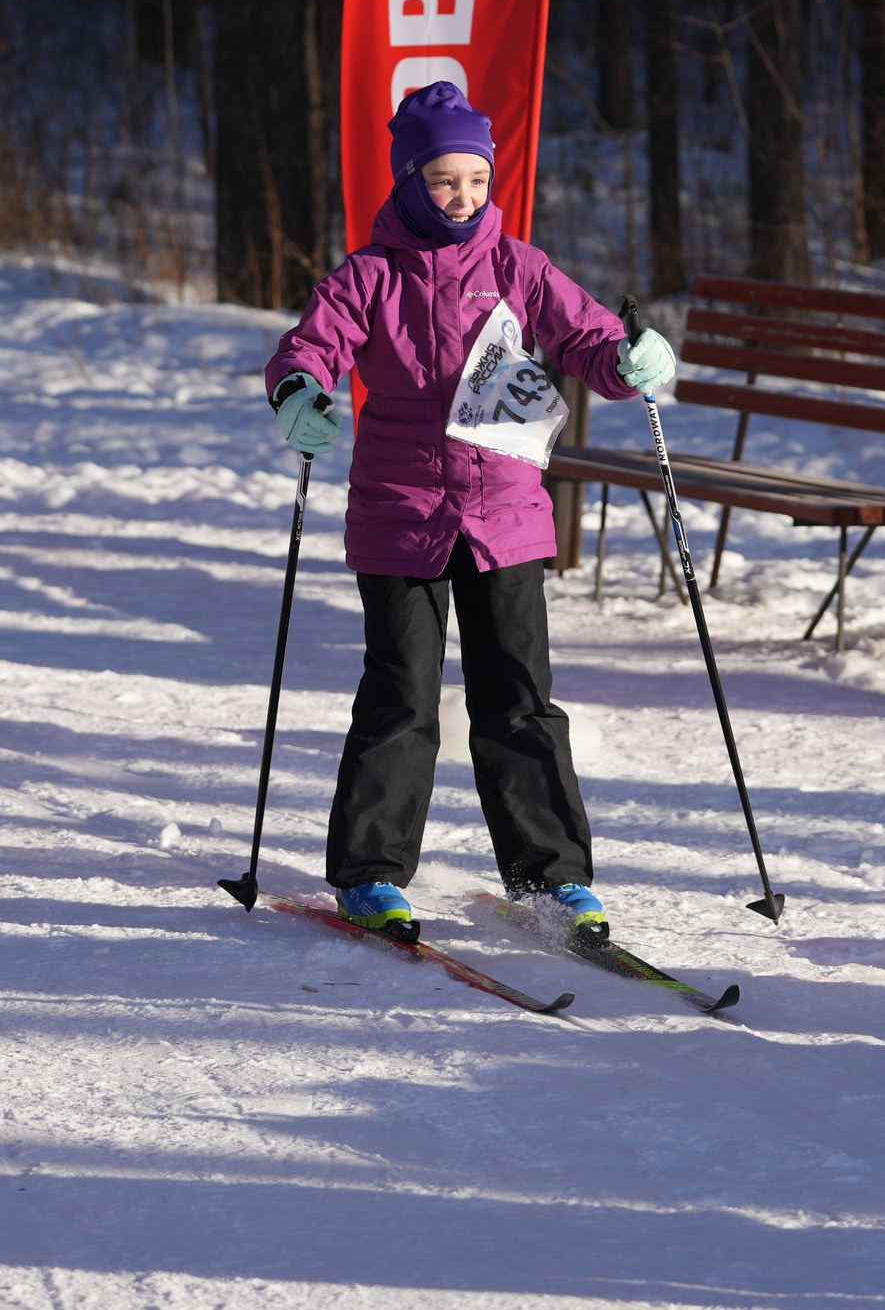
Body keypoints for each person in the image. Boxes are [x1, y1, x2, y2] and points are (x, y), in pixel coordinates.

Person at [263, 81, 675, 942]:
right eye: (445, 180)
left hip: (506, 515)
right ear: (410, 179)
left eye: (478, 181)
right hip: (400, 511)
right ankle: (371, 872)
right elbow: (311, 346)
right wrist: (299, 390)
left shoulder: (518, 267)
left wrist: (630, 358)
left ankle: (553, 876)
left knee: (520, 696)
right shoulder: (370, 275)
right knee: (401, 695)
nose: (463, 197)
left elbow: (586, 337)